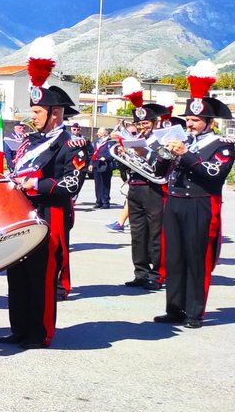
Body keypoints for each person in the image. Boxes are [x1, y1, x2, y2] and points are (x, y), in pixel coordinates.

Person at [2, 37, 86, 349]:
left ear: (55, 112)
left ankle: (40, 332)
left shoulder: (71, 142)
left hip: (50, 215)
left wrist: (36, 185)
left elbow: (71, 184)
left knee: (41, 275)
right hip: (21, 215)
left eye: (37, 111)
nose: (32, 115)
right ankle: (19, 328)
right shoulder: (29, 141)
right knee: (18, 274)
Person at [155, 60, 233, 329]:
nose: (190, 124)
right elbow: (160, 170)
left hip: (200, 203)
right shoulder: (183, 140)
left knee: (196, 258)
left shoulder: (223, 144)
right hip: (175, 201)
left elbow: (213, 174)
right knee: (174, 257)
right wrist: (163, 154)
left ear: (208, 122)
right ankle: (174, 308)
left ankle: (194, 312)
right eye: (188, 119)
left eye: (195, 120)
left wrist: (184, 154)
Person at [115, 78, 170, 290]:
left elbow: (162, 166)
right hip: (135, 188)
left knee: (156, 234)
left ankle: (157, 274)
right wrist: (122, 155)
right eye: (138, 123)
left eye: (145, 123)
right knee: (137, 234)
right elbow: (126, 170)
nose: (141, 127)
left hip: (153, 189)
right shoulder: (133, 139)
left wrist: (144, 152)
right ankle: (140, 272)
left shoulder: (162, 141)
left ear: (155, 123)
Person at [92, 128, 116, 209]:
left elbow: (112, 154)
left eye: (99, 133)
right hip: (97, 165)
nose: (98, 135)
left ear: (105, 134)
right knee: (98, 184)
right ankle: (99, 201)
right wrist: (91, 164)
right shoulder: (96, 142)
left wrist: (105, 158)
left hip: (106, 165)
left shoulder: (110, 142)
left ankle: (105, 202)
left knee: (105, 184)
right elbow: (93, 154)